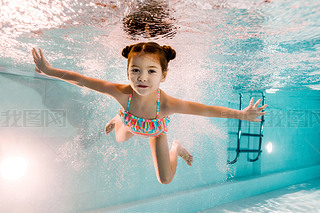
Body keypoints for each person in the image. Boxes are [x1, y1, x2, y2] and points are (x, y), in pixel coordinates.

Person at [31, 42, 267, 184]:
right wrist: (49, 70)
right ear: (127, 71)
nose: (142, 77)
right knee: (120, 137)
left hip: (155, 133)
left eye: (151, 71)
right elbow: (82, 81)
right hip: (130, 121)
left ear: (163, 75)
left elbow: (204, 110)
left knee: (165, 179)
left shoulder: (165, 104)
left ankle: (176, 148)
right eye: (135, 70)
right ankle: (118, 117)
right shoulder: (122, 93)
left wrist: (241, 114)